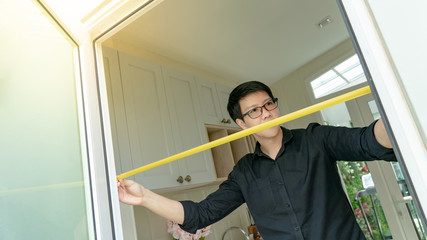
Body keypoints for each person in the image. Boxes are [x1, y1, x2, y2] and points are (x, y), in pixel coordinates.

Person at [117, 81, 395, 240]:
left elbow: (368, 141)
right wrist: (143, 197)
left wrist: (396, 109)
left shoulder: (315, 138)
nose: (265, 113)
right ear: (241, 124)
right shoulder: (244, 172)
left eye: (268, 104)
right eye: (253, 111)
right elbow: (200, 214)